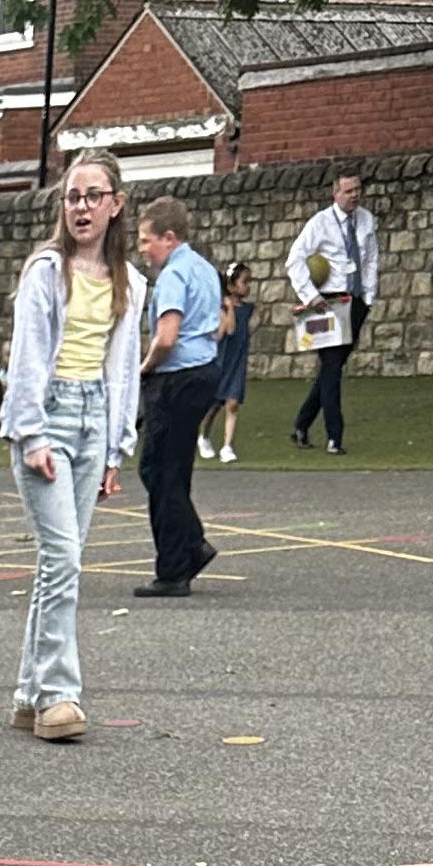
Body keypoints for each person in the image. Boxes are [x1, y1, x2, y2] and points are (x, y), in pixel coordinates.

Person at [1, 151, 141, 743]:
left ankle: (29, 696)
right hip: (49, 416)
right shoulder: (46, 272)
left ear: (116, 205)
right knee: (63, 559)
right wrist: (31, 433)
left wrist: (114, 450)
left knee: (58, 563)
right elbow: (28, 356)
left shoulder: (129, 282)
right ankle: (59, 693)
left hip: (94, 419)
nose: (81, 207)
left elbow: (124, 368)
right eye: (72, 197)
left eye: (93, 196)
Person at [131, 201, 222, 599]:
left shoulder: (173, 275)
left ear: (168, 238)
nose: (142, 250)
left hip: (176, 377)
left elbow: (167, 336)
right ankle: (190, 547)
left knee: (158, 470)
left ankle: (175, 566)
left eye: (145, 240)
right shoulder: (204, 269)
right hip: (204, 371)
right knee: (173, 469)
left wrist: (144, 367)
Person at [286, 169, 380, 453]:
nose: (354, 195)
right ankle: (334, 437)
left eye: (357, 189)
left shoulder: (366, 219)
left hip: (356, 301)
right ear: (335, 193)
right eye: (348, 191)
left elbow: (371, 258)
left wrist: (369, 296)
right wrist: (311, 296)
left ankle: (301, 425)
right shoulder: (320, 223)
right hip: (328, 302)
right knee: (331, 367)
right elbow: (294, 260)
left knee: (333, 367)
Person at [202, 264, 255, 466]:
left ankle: (227, 446)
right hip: (222, 361)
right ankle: (203, 436)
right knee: (215, 404)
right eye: (244, 282)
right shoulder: (221, 308)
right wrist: (229, 308)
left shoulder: (248, 309)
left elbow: (248, 329)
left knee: (232, 404)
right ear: (231, 285)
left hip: (237, 361)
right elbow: (229, 331)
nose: (248, 286)